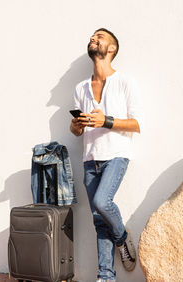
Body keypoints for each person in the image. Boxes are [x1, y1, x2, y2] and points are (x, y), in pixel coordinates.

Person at [70, 28, 143, 282]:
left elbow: (136, 124)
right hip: (90, 159)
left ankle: (122, 238)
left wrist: (106, 121)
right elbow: (75, 130)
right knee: (98, 221)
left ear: (111, 49)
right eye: (91, 36)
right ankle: (105, 276)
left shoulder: (125, 82)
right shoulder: (80, 88)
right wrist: (77, 126)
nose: (93, 38)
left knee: (102, 202)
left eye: (99, 37)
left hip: (116, 155)